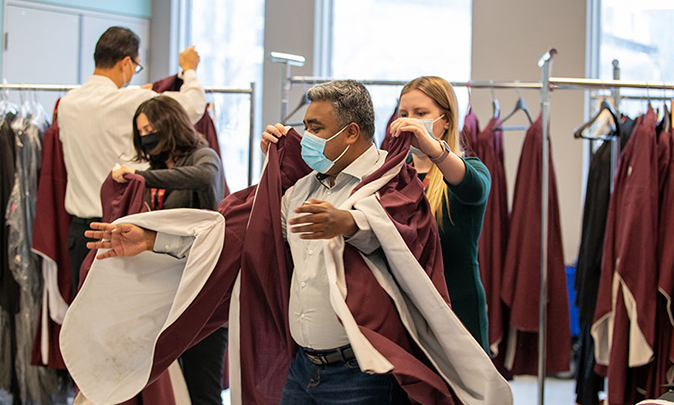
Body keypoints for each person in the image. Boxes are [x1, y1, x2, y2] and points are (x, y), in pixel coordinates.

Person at [81, 80, 510, 404]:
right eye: (303, 126)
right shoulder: (302, 190)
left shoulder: (394, 180)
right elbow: (230, 236)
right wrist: (153, 238)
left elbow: (401, 231)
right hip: (304, 369)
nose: (303, 136)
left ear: (350, 134)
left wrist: (350, 223)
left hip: (363, 374)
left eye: (314, 127)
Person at [57, 26, 206, 297]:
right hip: (122, 229)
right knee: (125, 322)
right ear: (126, 62)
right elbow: (194, 106)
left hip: (80, 233)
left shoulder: (67, 103)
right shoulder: (133, 99)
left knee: (86, 321)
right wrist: (189, 70)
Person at [111, 95, 227, 405]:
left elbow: (205, 177)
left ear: (170, 124)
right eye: (141, 131)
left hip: (203, 293)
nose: (146, 136)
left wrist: (141, 177)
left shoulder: (204, 157)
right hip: (164, 294)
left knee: (202, 388)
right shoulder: (156, 168)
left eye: (151, 127)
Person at [389, 76, 492, 353]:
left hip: (458, 308)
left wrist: (434, 150)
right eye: (404, 114)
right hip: (407, 309)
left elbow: (474, 189)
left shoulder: (470, 168)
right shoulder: (394, 173)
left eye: (421, 114)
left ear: (445, 120)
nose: (410, 121)